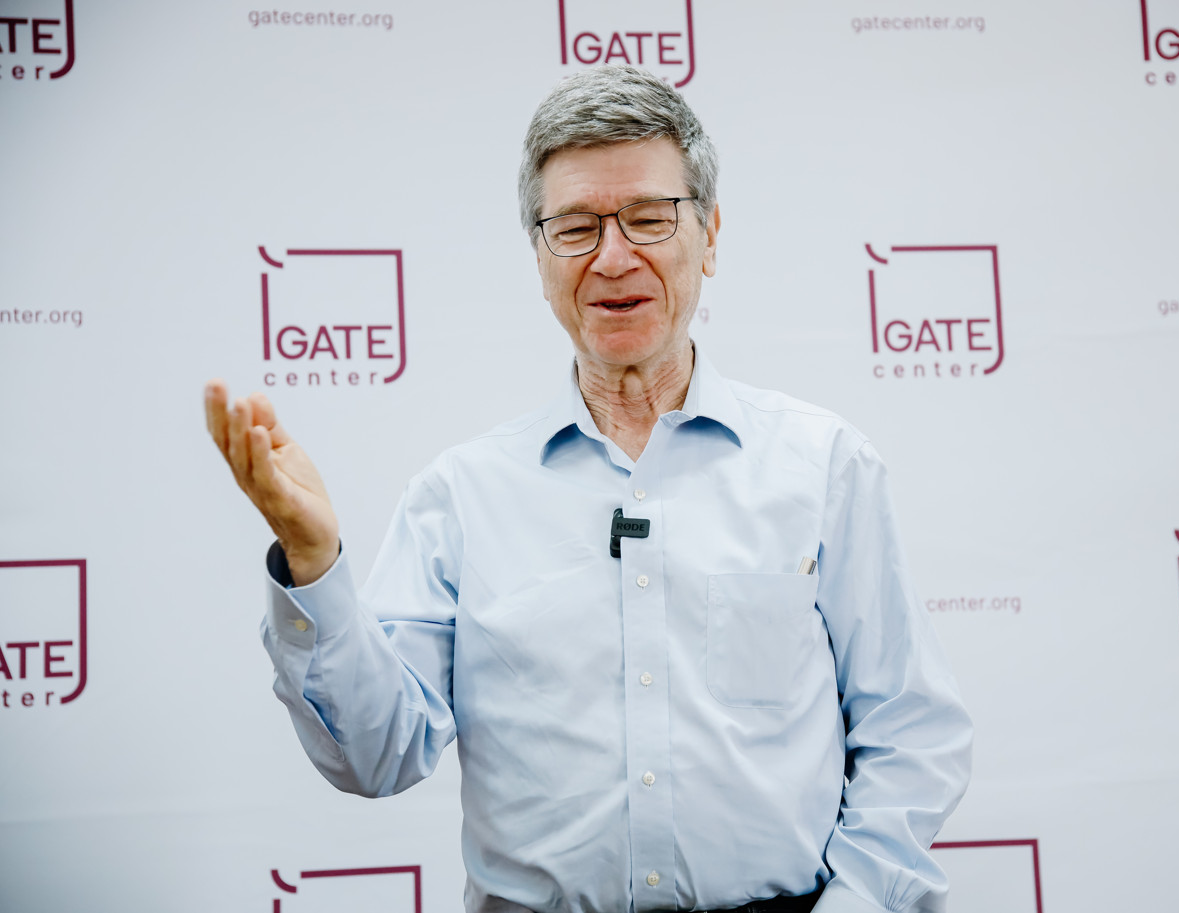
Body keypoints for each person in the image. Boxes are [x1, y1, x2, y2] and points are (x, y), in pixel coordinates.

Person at [205, 64, 972, 913]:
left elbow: (911, 732)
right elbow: (375, 753)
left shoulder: (824, 466)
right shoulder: (460, 496)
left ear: (710, 234)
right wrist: (314, 561)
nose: (613, 257)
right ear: (539, 257)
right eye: (575, 228)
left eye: (648, 218)